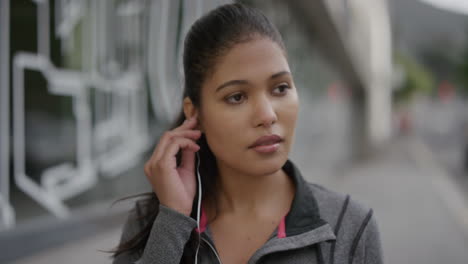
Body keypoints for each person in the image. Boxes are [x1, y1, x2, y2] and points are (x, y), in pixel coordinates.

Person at [111, 3, 383, 264]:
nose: (267, 115)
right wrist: (172, 222)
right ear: (195, 114)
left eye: (280, 88)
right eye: (237, 97)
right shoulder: (152, 221)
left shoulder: (350, 227)